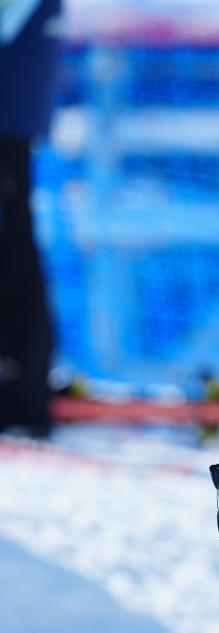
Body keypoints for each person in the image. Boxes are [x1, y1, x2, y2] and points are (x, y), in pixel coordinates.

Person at [0, 0, 62, 439]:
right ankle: (23, 387)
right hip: (14, 100)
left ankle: (22, 388)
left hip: (10, 103)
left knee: (14, 242)